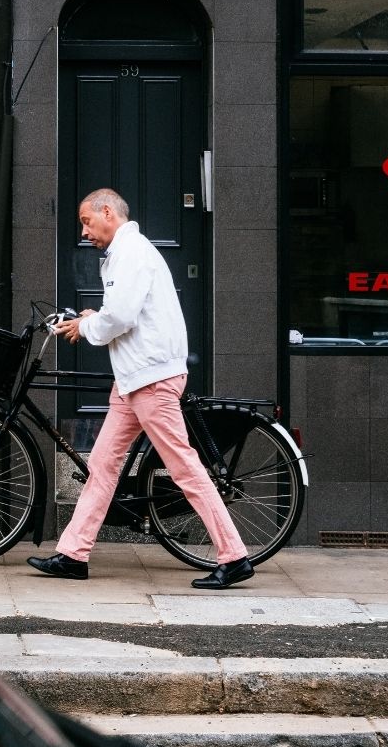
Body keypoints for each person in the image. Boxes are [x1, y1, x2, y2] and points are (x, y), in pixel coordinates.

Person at [27, 188, 253, 590]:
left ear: (108, 212)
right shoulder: (127, 252)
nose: (84, 231)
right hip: (133, 380)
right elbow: (128, 312)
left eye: (86, 221)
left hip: (149, 380)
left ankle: (234, 556)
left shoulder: (131, 252)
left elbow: (124, 315)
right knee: (102, 465)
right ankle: (73, 554)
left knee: (184, 467)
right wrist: (97, 317)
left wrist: (87, 326)